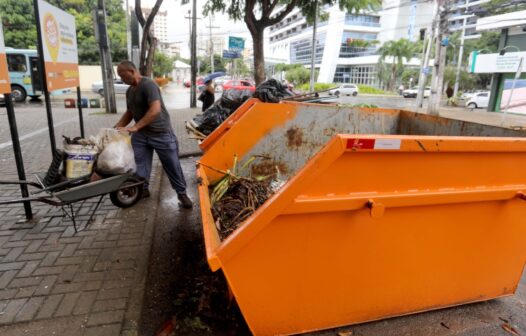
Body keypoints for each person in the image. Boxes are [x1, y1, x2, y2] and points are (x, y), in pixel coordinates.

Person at [114, 60, 193, 208]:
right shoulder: (130, 91)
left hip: (161, 133)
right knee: (139, 164)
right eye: (120, 77)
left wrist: (136, 127)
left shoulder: (148, 85)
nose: (122, 79)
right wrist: (116, 128)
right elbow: (130, 112)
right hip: (141, 135)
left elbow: (155, 110)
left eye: (123, 76)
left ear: (132, 71)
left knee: (172, 166)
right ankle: (142, 189)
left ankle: (182, 194)